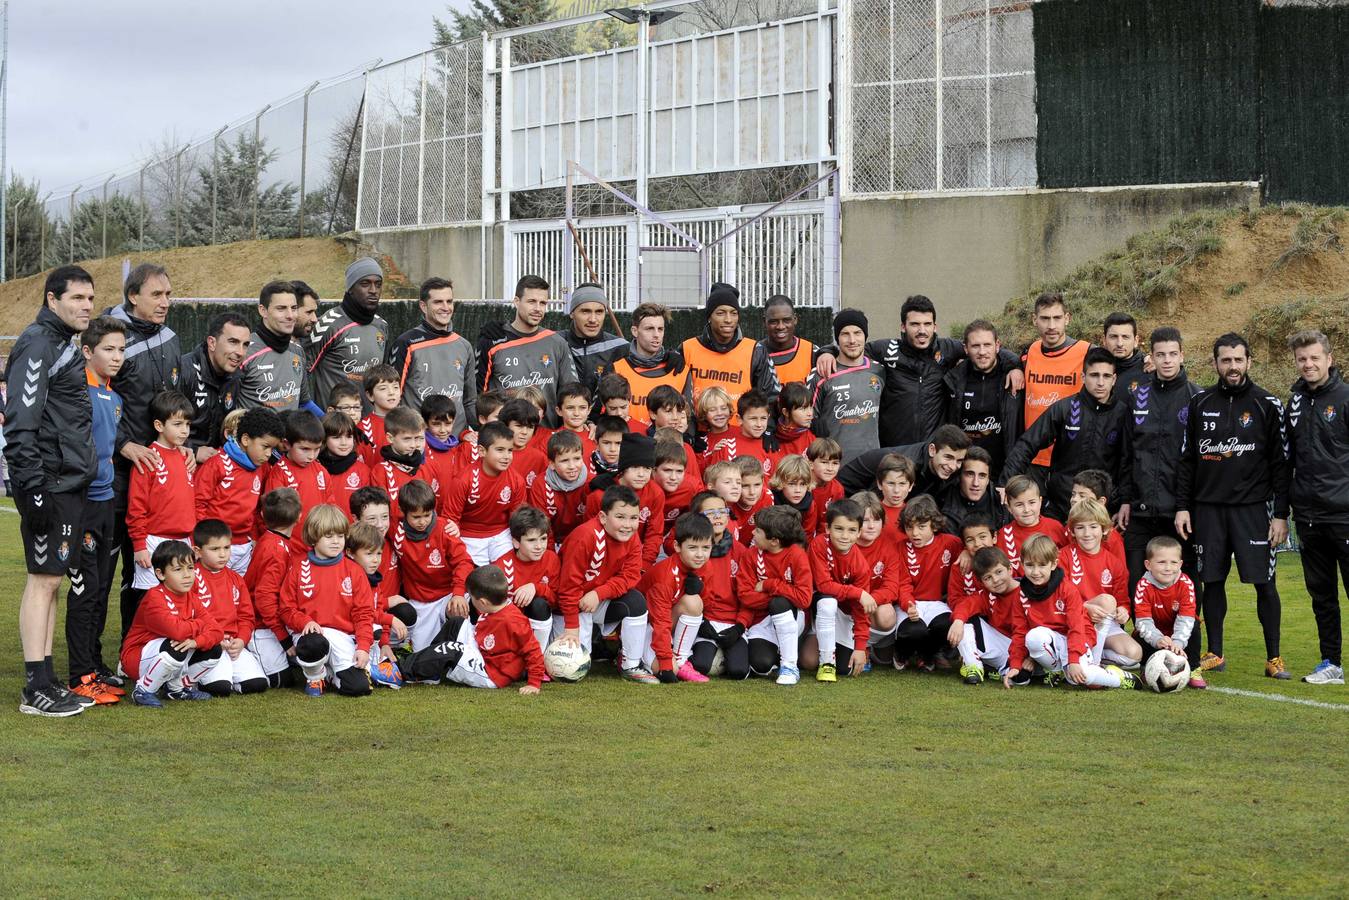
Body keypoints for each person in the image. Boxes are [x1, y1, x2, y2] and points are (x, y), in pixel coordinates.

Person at [7, 266, 98, 716]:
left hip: (69, 481)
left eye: (90, 299)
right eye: (77, 298)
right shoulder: (38, 344)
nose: (86, 307)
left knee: (53, 581)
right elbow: (20, 424)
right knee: (42, 581)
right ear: (51, 299)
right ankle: (34, 688)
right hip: (49, 483)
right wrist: (33, 487)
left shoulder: (61, 343)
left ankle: (46, 679)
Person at [1175, 333, 1291, 679]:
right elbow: (1186, 462)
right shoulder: (1199, 404)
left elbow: (1281, 465)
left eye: (1239, 360)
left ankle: (1274, 658)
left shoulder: (1267, 404)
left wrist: (1281, 514)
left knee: (1264, 583)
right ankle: (1216, 653)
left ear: (1249, 362)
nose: (1233, 366)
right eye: (1226, 360)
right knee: (1211, 581)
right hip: (1208, 509)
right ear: (1215, 364)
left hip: (1253, 510)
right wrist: (1183, 507)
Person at [816, 295, 1023, 447]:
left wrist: (1014, 366)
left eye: (927, 324)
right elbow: (853, 349)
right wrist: (825, 352)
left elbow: (983, 350)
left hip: (931, 452)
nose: (922, 330)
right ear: (903, 326)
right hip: (893, 451)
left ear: (935, 326)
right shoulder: (886, 350)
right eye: (915, 324)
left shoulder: (947, 349)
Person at [109, 263, 184, 649]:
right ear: (133, 296)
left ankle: (160, 646)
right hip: (117, 472)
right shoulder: (112, 335)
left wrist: (182, 443)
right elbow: (94, 402)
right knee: (122, 571)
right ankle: (128, 649)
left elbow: (175, 402)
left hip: (161, 472)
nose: (165, 302)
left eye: (168, 294)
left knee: (163, 567)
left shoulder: (170, 337)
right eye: (157, 295)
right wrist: (123, 444)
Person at [64, 315, 127, 704]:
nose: (117, 356)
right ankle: (79, 675)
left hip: (107, 502)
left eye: (121, 349)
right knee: (84, 589)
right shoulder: (76, 393)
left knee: (101, 586)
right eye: (108, 349)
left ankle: (94, 665)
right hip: (81, 503)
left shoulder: (114, 397)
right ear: (87, 351)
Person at [1115, 326, 1201, 595]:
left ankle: (1186, 637)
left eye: (1172, 354)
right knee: (1135, 583)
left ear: (1182, 356)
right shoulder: (1137, 395)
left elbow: (1197, 461)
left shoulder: (1197, 398)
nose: (1167, 360)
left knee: (1184, 585)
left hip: (1179, 512)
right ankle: (1141, 637)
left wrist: (1186, 505)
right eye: (1160, 354)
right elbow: (1127, 453)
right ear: (1151, 356)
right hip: (1140, 511)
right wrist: (1125, 500)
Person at [1284, 330, 1349, 685]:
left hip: (1344, 515)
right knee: (1322, 596)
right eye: (1301, 359)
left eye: (1314, 358)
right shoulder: (1294, 401)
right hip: (1308, 517)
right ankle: (1331, 664)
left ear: (1329, 358)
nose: (1308, 364)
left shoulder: (1345, 397)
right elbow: (1287, 459)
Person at [1001, 347, 1127, 519]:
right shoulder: (1065, 408)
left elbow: (1128, 462)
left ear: (1114, 379)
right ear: (1083, 377)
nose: (1100, 382)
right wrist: (1005, 483)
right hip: (1061, 504)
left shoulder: (1123, 413)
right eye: (1094, 375)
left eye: (1106, 376)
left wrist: (1121, 500)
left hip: (1101, 508)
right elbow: (1028, 444)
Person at [554, 485, 659, 683]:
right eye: (620, 517)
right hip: (568, 604)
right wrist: (571, 627)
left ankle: (630, 665)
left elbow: (630, 576)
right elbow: (567, 586)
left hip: (596, 600)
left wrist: (599, 593)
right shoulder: (584, 536)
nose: (628, 524)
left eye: (634, 518)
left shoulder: (631, 537)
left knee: (636, 601)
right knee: (573, 671)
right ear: (603, 517)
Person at [1003, 534, 1136, 690]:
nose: (1035, 572)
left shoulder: (1067, 589)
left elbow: (1076, 627)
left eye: (1042, 565)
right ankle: (1059, 672)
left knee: (1083, 679)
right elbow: (1019, 633)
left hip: (1077, 639)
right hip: (1053, 642)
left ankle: (1119, 678)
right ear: (1021, 564)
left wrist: (1073, 660)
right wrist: (1015, 665)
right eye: (1030, 565)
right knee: (1034, 636)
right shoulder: (1021, 593)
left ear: (1053, 565)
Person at [396, 565, 546, 693]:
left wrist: (534, 683)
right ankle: (429, 672)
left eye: (472, 598)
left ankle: (397, 671)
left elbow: (533, 651)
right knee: (456, 623)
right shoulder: (495, 607)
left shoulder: (514, 621)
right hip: (481, 650)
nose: (471, 602)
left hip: (491, 672)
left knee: (450, 649)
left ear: (482, 602)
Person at [279, 505, 376, 697]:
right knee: (313, 643)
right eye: (329, 536)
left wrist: (363, 647)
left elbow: (364, 613)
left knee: (358, 688)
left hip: (343, 637)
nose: (336, 542)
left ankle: (331, 675)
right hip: (312, 636)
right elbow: (286, 608)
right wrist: (304, 621)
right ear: (314, 537)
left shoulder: (354, 571)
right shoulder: (298, 568)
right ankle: (316, 678)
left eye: (340, 536)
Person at [120, 540, 224, 708]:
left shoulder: (192, 597)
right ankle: (143, 690)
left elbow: (217, 631)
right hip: (137, 658)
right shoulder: (154, 598)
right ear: (160, 574)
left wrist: (197, 642)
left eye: (190, 568)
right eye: (178, 569)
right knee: (176, 644)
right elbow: (177, 631)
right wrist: (199, 624)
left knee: (213, 648)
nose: (187, 575)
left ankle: (177, 689)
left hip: (168, 652)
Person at [479, 275, 580, 427]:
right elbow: (478, 396)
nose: (538, 309)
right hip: (505, 439)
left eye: (543, 303)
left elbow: (572, 394)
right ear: (516, 301)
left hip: (548, 438)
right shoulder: (492, 342)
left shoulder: (557, 343)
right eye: (531, 302)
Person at [194, 407, 285, 574]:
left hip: (245, 545)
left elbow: (258, 508)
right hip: (215, 545)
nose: (268, 454)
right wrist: (203, 541)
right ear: (245, 439)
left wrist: (256, 537)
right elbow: (198, 504)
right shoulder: (216, 464)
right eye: (265, 446)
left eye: (272, 449)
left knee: (235, 593)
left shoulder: (263, 468)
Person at [390, 479, 475, 651]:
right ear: (403, 512)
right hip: (420, 601)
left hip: (447, 594)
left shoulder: (445, 529)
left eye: (427, 515)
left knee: (463, 607)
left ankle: (470, 651)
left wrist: (458, 593)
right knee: (427, 672)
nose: (422, 521)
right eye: (416, 517)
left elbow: (464, 562)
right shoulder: (395, 529)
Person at [384, 276, 477, 433]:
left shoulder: (464, 346)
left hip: (456, 441)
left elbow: (470, 401)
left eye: (449, 301)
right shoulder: (406, 343)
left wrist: (479, 432)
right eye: (438, 302)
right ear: (423, 306)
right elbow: (392, 398)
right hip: (418, 440)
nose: (445, 307)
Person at [127, 391, 197, 601]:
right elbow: (136, 506)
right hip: (153, 542)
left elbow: (189, 504)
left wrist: (192, 539)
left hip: (183, 541)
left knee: (182, 599)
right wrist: (139, 545)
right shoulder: (147, 458)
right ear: (159, 425)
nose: (184, 431)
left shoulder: (186, 457)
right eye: (177, 424)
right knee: (150, 601)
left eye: (187, 424)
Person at [681, 283, 779, 425]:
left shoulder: (755, 350)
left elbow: (770, 397)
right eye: (721, 313)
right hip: (698, 437)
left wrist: (769, 428)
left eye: (734, 313)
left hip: (742, 436)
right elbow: (676, 397)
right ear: (709, 317)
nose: (728, 319)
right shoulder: (687, 349)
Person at [737, 506, 813, 685]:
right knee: (760, 666)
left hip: (792, 616)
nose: (753, 533)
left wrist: (769, 584)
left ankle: (789, 665)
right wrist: (784, 594)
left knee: (780, 604)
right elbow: (745, 596)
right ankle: (780, 650)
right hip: (761, 620)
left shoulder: (797, 555)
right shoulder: (750, 555)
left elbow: (804, 599)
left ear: (774, 541)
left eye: (758, 530)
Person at [191, 519, 267, 697]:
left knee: (258, 684)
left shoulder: (235, 579)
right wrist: (212, 639)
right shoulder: (190, 578)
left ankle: (232, 678)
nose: (223, 554)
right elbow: (188, 618)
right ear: (198, 551)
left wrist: (241, 640)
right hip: (208, 646)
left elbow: (246, 617)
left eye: (226, 548)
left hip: (233, 644)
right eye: (215, 549)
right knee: (220, 688)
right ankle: (193, 678)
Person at [1020, 292, 1090, 476]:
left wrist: (1146, 360)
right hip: (1033, 457)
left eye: (1057, 318)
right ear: (1034, 320)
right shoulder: (1031, 351)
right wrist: (1012, 368)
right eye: (1045, 319)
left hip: (1070, 458)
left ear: (1067, 319)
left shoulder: (1087, 352)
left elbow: (1120, 366)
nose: (1051, 326)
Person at [307, 257, 390, 410]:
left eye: (378, 285)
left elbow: (383, 377)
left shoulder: (381, 326)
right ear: (350, 288)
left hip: (367, 425)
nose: (373, 290)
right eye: (365, 284)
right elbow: (303, 373)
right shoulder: (327, 324)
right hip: (334, 427)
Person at [639, 512, 713, 683]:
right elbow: (659, 621)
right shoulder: (664, 576)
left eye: (706, 548)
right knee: (668, 669)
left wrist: (699, 590)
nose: (700, 554)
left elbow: (704, 604)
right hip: (646, 626)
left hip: (667, 623)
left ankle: (681, 659)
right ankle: (627, 654)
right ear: (677, 546)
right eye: (693, 547)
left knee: (693, 601)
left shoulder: (705, 566)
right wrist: (665, 662)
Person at [943, 319, 1022, 479]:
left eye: (987, 345)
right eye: (975, 346)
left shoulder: (1013, 377)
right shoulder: (953, 380)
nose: (982, 351)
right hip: (965, 471)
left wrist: (1017, 367)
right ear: (966, 348)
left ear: (997, 345)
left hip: (1004, 470)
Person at [439, 421, 526, 565]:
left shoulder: (517, 481)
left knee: (505, 578)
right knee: (478, 581)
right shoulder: (463, 480)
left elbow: (518, 520)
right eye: (500, 450)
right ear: (482, 451)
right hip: (469, 537)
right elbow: (450, 520)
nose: (507, 456)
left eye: (510, 450)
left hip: (501, 535)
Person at [893, 495, 963, 671]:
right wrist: (908, 604)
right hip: (910, 603)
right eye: (910, 527)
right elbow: (902, 583)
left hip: (937, 603)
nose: (915, 533)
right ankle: (902, 654)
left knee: (947, 625)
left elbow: (968, 550)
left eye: (922, 527)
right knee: (914, 631)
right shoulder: (900, 547)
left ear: (934, 525)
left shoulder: (951, 543)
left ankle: (928, 654)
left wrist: (967, 554)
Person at [243, 488, 305, 686]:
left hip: (270, 621)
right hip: (259, 625)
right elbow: (264, 598)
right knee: (281, 681)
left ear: (263, 515)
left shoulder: (274, 541)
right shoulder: (275, 549)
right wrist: (284, 638)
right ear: (299, 517)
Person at [808, 499, 874, 681]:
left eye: (852, 530)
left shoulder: (861, 566)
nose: (845, 536)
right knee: (808, 661)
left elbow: (861, 610)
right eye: (839, 529)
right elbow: (823, 585)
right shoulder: (819, 544)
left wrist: (860, 647)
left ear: (859, 532)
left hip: (841, 614)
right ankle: (826, 663)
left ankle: (848, 651)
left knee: (845, 669)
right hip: (816, 606)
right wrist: (858, 593)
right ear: (828, 528)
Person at [809, 308, 883, 463]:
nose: (852, 340)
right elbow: (807, 420)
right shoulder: (822, 373)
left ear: (865, 336)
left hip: (871, 465)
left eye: (857, 333)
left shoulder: (880, 371)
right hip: (832, 466)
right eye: (845, 334)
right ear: (837, 338)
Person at [1131, 535, 1204, 689]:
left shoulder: (1186, 584)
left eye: (1173, 562)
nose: (1168, 568)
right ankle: (1148, 667)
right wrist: (1157, 639)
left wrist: (1177, 642)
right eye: (1161, 562)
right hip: (1154, 632)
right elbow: (1143, 621)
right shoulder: (1143, 586)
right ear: (1148, 564)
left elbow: (1186, 618)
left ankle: (1194, 668)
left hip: (1176, 631)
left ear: (1181, 564)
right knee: (1139, 633)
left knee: (1195, 625)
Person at [238, 281, 322, 415]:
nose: (290, 315)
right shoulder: (244, 352)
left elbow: (303, 402)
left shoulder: (297, 351)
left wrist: (330, 424)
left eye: (294, 308)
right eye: (281, 308)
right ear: (263, 310)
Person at [491, 505, 561, 660]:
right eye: (531, 540)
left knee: (539, 605)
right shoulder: (501, 566)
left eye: (543, 539)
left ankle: (537, 660)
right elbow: (493, 612)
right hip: (510, 628)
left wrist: (536, 588)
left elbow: (557, 602)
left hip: (540, 625)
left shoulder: (551, 559)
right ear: (516, 542)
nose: (539, 546)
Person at [178, 311, 249, 458]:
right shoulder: (183, 370)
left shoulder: (236, 377)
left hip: (216, 463)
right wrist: (193, 450)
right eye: (233, 342)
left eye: (245, 344)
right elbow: (160, 424)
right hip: (183, 460)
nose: (240, 352)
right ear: (212, 343)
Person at [837, 424, 971, 500]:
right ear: (932, 450)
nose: (953, 466)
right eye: (948, 457)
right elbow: (875, 503)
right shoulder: (905, 466)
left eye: (959, 460)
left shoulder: (948, 468)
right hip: (846, 495)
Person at [612, 302, 693, 427]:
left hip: (668, 444)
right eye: (649, 329)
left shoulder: (679, 370)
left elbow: (689, 420)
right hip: (627, 444)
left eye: (660, 329)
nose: (656, 335)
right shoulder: (616, 369)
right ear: (635, 331)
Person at [948, 546, 1021, 685]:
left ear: (1010, 569)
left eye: (999, 572)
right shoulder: (987, 595)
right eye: (988, 577)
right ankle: (973, 667)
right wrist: (958, 621)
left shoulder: (1027, 591)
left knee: (1022, 679)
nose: (996, 580)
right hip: (1003, 646)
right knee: (965, 619)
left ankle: (1000, 669)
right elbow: (965, 605)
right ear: (981, 583)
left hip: (1025, 648)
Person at [263, 412, 333, 520]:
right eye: (305, 449)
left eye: (317, 449)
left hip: (319, 536)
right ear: (286, 444)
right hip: (290, 536)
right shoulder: (278, 473)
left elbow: (330, 507)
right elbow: (273, 516)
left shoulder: (321, 471)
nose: (311, 456)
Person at [560, 282, 628, 394]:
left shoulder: (620, 347)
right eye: (585, 311)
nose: (593, 319)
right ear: (572, 313)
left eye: (599, 312)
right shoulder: (556, 342)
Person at [528, 429, 591, 541]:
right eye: (564, 461)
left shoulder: (591, 482)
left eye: (577, 458)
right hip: (551, 539)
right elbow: (540, 526)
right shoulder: (541, 484)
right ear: (552, 464)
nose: (572, 466)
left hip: (581, 541)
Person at [760, 295, 816, 387]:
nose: (780, 327)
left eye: (786, 320)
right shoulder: (754, 353)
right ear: (764, 322)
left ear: (795, 320)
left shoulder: (812, 352)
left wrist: (828, 352)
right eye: (774, 321)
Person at [1103, 312, 1147, 403]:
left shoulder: (1148, 370)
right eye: (1113, 337)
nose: (1119, 343)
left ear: (1136, 341)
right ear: (1104, 340)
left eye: (1125, 337)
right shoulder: (1093, 368)